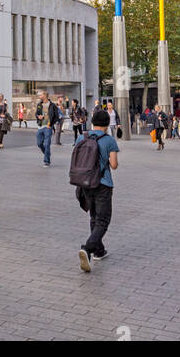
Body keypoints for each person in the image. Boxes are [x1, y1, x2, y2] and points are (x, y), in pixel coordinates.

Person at [74, 107, 120, 272]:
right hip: (103, 184)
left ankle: (98, 251)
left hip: (85, 183)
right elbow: (113, 165)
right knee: (103, 220)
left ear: (92, 122)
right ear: (107, 124)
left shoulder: (82, 137)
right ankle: (87, 249)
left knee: (94, 217)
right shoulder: (109, 140)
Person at [35, 91, 57, 166]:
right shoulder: (39, 104)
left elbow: (56, 116)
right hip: (40, 127)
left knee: (47, 144)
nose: (39, 96)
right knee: (39, 143)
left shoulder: (52, 105)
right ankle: (47, 154)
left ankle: (46, 161)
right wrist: (38, 116)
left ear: (45, 95)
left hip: (48, 127)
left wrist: (50, 125)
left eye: (41, 95)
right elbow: (36, 113)